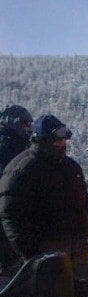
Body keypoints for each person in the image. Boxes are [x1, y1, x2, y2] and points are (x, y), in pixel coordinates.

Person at [0, 114, 88, 297]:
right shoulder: (22, 169)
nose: (62, 144)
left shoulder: (70, 167)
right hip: (48, 250)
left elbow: (82, 204)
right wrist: (29, 252)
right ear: (41, 139)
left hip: (77, 245)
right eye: (57, 140)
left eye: (64, 140)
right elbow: (11, 215)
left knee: (86, 293)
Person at [0, 105, 33, 275]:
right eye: (25, 123)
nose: (29, 128)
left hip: (19, 214)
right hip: (7, 214)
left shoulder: (20, 145)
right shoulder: (6, 146)